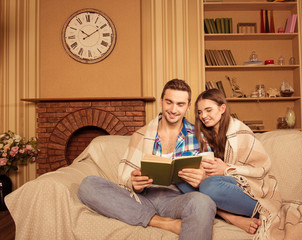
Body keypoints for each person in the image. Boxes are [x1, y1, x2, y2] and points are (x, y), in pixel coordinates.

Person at [77, 79, 216, 240]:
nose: (173, 109)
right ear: (161, 101)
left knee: (203, 202)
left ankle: (151, 218)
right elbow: (125, 178)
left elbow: (213, 180)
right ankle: (160, 222)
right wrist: (134, 183)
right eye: (169, 102)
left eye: (180, 104)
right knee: (88, 185)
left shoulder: (199, 137)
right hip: (142, 198)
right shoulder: (141, 135)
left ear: (188, 107)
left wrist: (203, 178)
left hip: (176, 200)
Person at [178, 88, 282, 236]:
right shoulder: (202, 134)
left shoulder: (240, 132)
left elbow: (262, 167)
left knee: (209, 185)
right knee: (181, 177)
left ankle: (245, 213)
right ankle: (232, 218)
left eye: (208, 110)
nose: (203, 116)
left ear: (222, 108)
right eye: (200, 112)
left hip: (248, 192)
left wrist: (227, 169)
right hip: (219, 189)